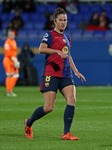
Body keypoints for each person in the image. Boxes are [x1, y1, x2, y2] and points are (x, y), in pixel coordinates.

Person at [24, 7, 86, 140]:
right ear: (55, 21)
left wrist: (75, 71)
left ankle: (66, 133)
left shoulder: (67, 38)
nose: (63, 22)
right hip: (51, 73)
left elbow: (68, 55)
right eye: (61, 20)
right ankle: (28, 123)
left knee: (72, 99)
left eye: (65, 20)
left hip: (66, 74)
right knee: (49, 107)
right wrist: (56, 51)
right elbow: (41, 49)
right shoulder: (50, 35)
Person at [3, 30, 20, 97]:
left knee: (16, 75)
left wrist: (16, 60)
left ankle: (10, 90)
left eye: (13, 34)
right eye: (10, 35)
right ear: (8, 35)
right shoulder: (7, 43)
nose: (12, 36)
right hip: (8, 60)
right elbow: (8, 54)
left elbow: (14, 52)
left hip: (14, 60)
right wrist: (14, 59)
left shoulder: (14, 42)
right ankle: (8, 91)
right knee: (9, 75)